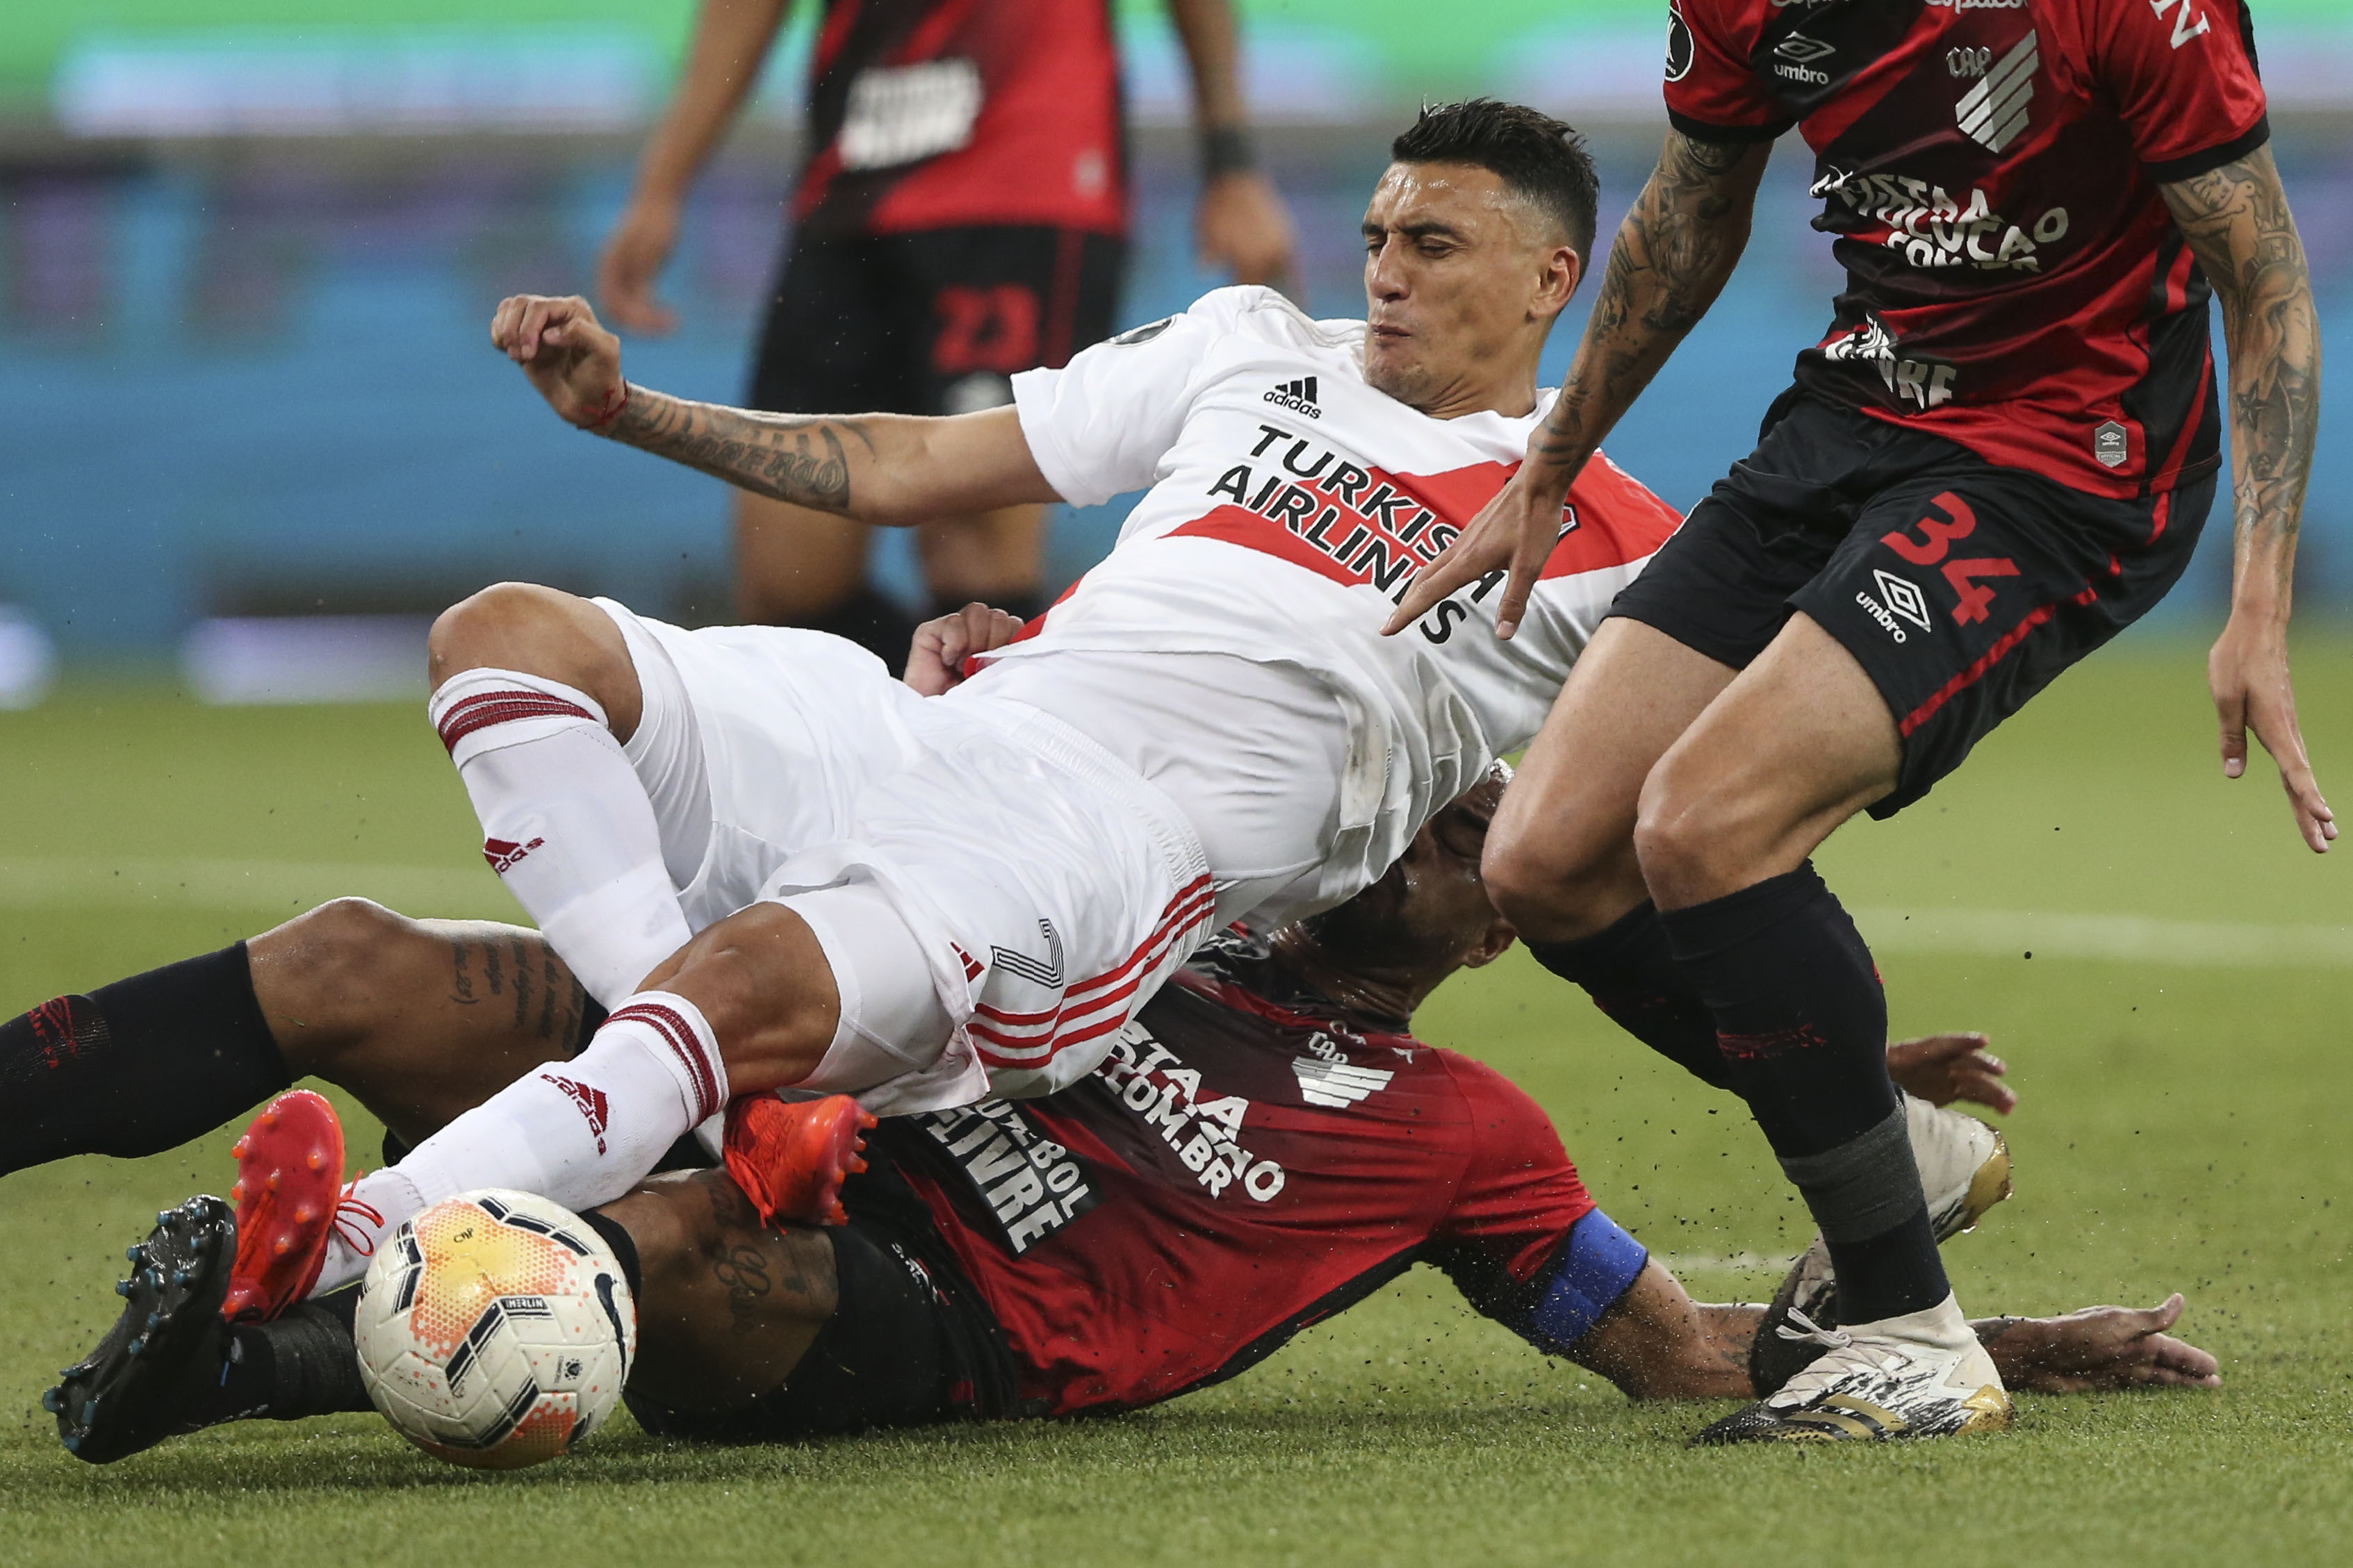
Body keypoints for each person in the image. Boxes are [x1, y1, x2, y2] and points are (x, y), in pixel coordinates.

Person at [39, 768, 2220, 1462]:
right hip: (816, 1113)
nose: (1404, 835)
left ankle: (247, 1343)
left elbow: (1672, 1347)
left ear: (1502, 919)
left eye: (1460, 833)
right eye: (1402, 794)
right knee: (349, 959)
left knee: (690, 1242)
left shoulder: (1461, 1134)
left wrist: (1988, 1334)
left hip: (932, 1313)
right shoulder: (1157, 895)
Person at [1382, 1, 2324, 1442]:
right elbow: (1689, 215)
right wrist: (1552, 456)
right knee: (1545, 856)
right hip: (1853, 420)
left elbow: (2260, 280)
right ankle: (1905, 1157)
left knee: (1706, 822)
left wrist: (2256, 597)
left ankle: (1906, 1335)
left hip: (2065, 463)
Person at [598, 0, 1297, 663]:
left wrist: (1231, 163)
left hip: (1026, 185)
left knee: (974, 556)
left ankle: (1001, 774)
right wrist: (661, 186)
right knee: (786, 583)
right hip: (853, 190)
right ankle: (939, 739)